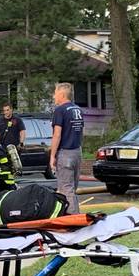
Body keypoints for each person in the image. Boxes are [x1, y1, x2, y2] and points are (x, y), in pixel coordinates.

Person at [50, 83, 84, 214]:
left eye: (55, 93)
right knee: (72, 188)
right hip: (77, 151)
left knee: (66, 189)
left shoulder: (60, 110)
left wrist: (52, 156)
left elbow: (57, 134)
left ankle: (73, 220)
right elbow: (81, 132)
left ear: (62, 95)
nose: (54, 96)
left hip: (65, 153)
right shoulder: (78, 110)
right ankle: (75, 215)